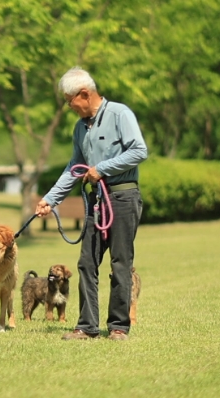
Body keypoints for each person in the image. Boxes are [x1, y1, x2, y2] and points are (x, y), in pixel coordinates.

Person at [35, 67, 147, 341]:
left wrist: (102, 168)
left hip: (123, 197)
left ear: (84, 94)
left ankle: (119, 327)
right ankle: (87, 326)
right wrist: (50, 199)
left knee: (120, 263)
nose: (68, 106)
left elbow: (139, 150)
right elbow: (73, 167)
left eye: (69, 100)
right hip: (96, 201)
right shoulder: (79, 127)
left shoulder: (120, 114)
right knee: (87, 263)